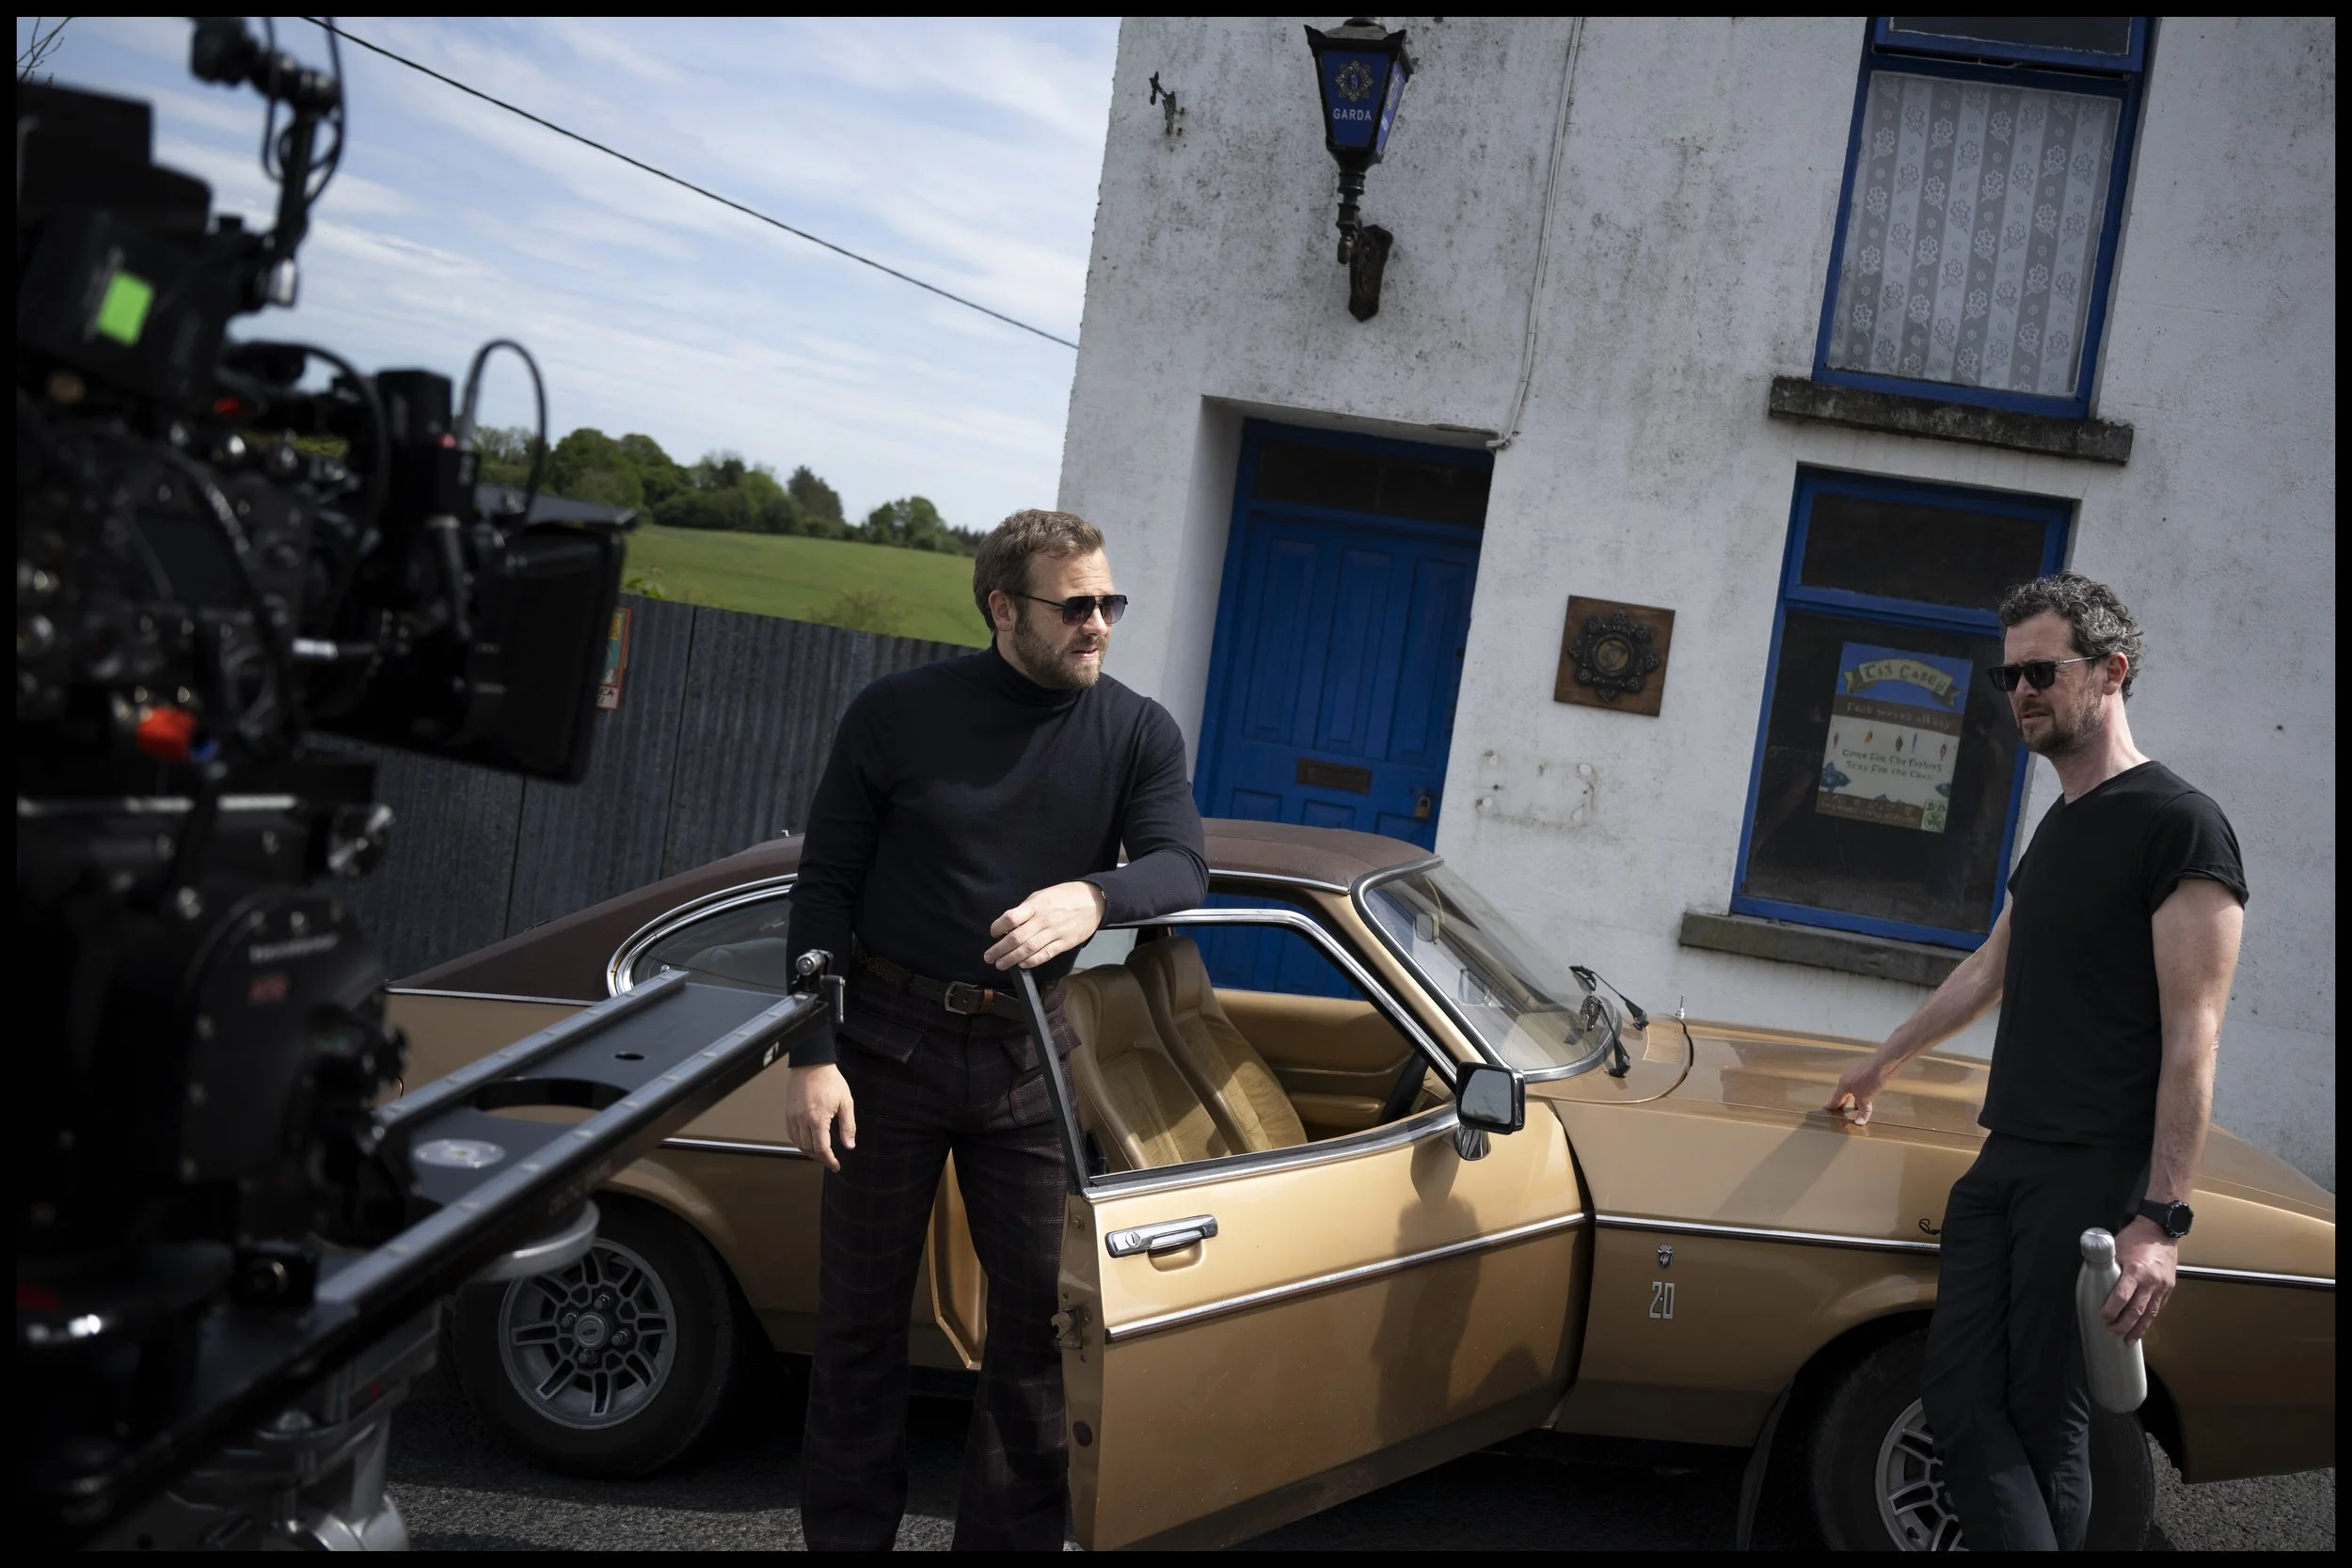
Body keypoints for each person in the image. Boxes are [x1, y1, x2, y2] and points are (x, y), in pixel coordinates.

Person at [781, 509, 1207, 1551]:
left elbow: (1180, 865)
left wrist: (1094, 898)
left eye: (1109, 602)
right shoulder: (895, 713)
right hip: (883, 1045)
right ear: (1003, 607)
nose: (1098, 624)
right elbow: (825, 884)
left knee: (1040, 1335)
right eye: (1076, 605)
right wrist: (811, 1050)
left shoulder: (1138, 730)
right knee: (859, 1328)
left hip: (1029, 1053)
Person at [1825, 572, 2246, 1551]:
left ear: (2110, 671)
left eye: (2040, 670)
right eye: (2005, 674)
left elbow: (2194, 1035)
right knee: (1979, 1399)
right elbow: (1990, 967)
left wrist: (2159, 1219)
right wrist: (1880, 1062)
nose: (2019, 690)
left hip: (2088, 1172)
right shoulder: (2059, 823)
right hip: (2007, 1155)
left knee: (2020, 1410)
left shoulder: (2180, 824)